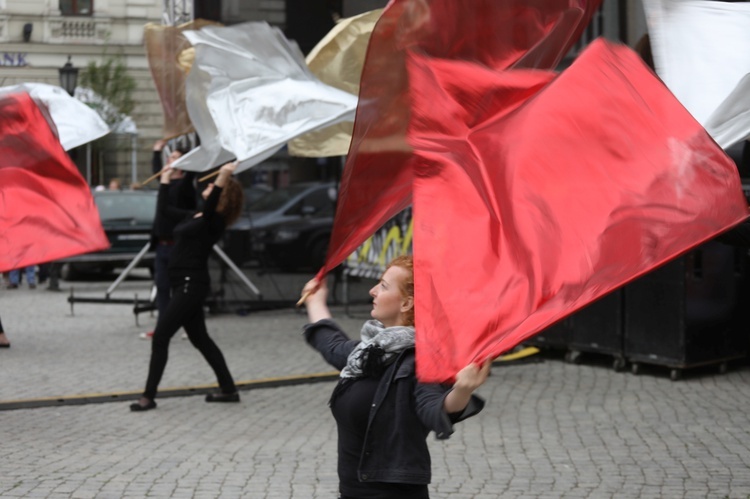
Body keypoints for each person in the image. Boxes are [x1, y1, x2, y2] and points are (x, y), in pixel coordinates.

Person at [299, 255, 490, 499]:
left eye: (383, 285)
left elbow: (434, 407)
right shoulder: (369, 352)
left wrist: (462, 390)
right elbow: (332, 345)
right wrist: (315, 301)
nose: (372, 291)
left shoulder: (420, 361)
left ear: (406, 303)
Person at [130, 160, 244, 412]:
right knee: (200, 339)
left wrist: (225, 173)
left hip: (191, 285)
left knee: (161, 336)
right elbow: (164, 212)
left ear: (222, 194)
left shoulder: (215, 221)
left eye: (215, 185)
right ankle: (228, 389)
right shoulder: (197, 215)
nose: (210, 185)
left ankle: (148, 397)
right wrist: (165, 179)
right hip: (181, 283)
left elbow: (213, 199)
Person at [140, 140, 196, 340]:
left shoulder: (185, 185)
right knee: (162, 287)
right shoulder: (166, 182)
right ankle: (163, 327)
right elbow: (158, 169)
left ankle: (189, 327)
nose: (170, 160)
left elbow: (187, 177)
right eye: (169, 157)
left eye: (174, 158)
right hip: (161, 244)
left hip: (177, 245)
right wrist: (156, 151)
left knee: (180, 290)